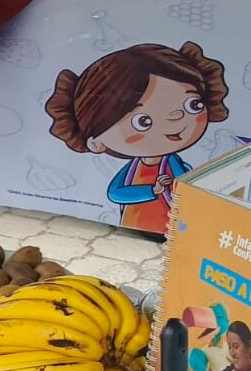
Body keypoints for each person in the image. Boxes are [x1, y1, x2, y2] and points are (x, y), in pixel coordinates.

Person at [45, 41, 228, 237]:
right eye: (143, 121)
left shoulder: (172, 162)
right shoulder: (132, 170)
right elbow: (115, 193)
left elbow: (185, 185)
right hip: (134, 223)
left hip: (173, 226)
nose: (177, 119)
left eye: (193, 105)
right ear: (96, 142)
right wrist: (152, 190)